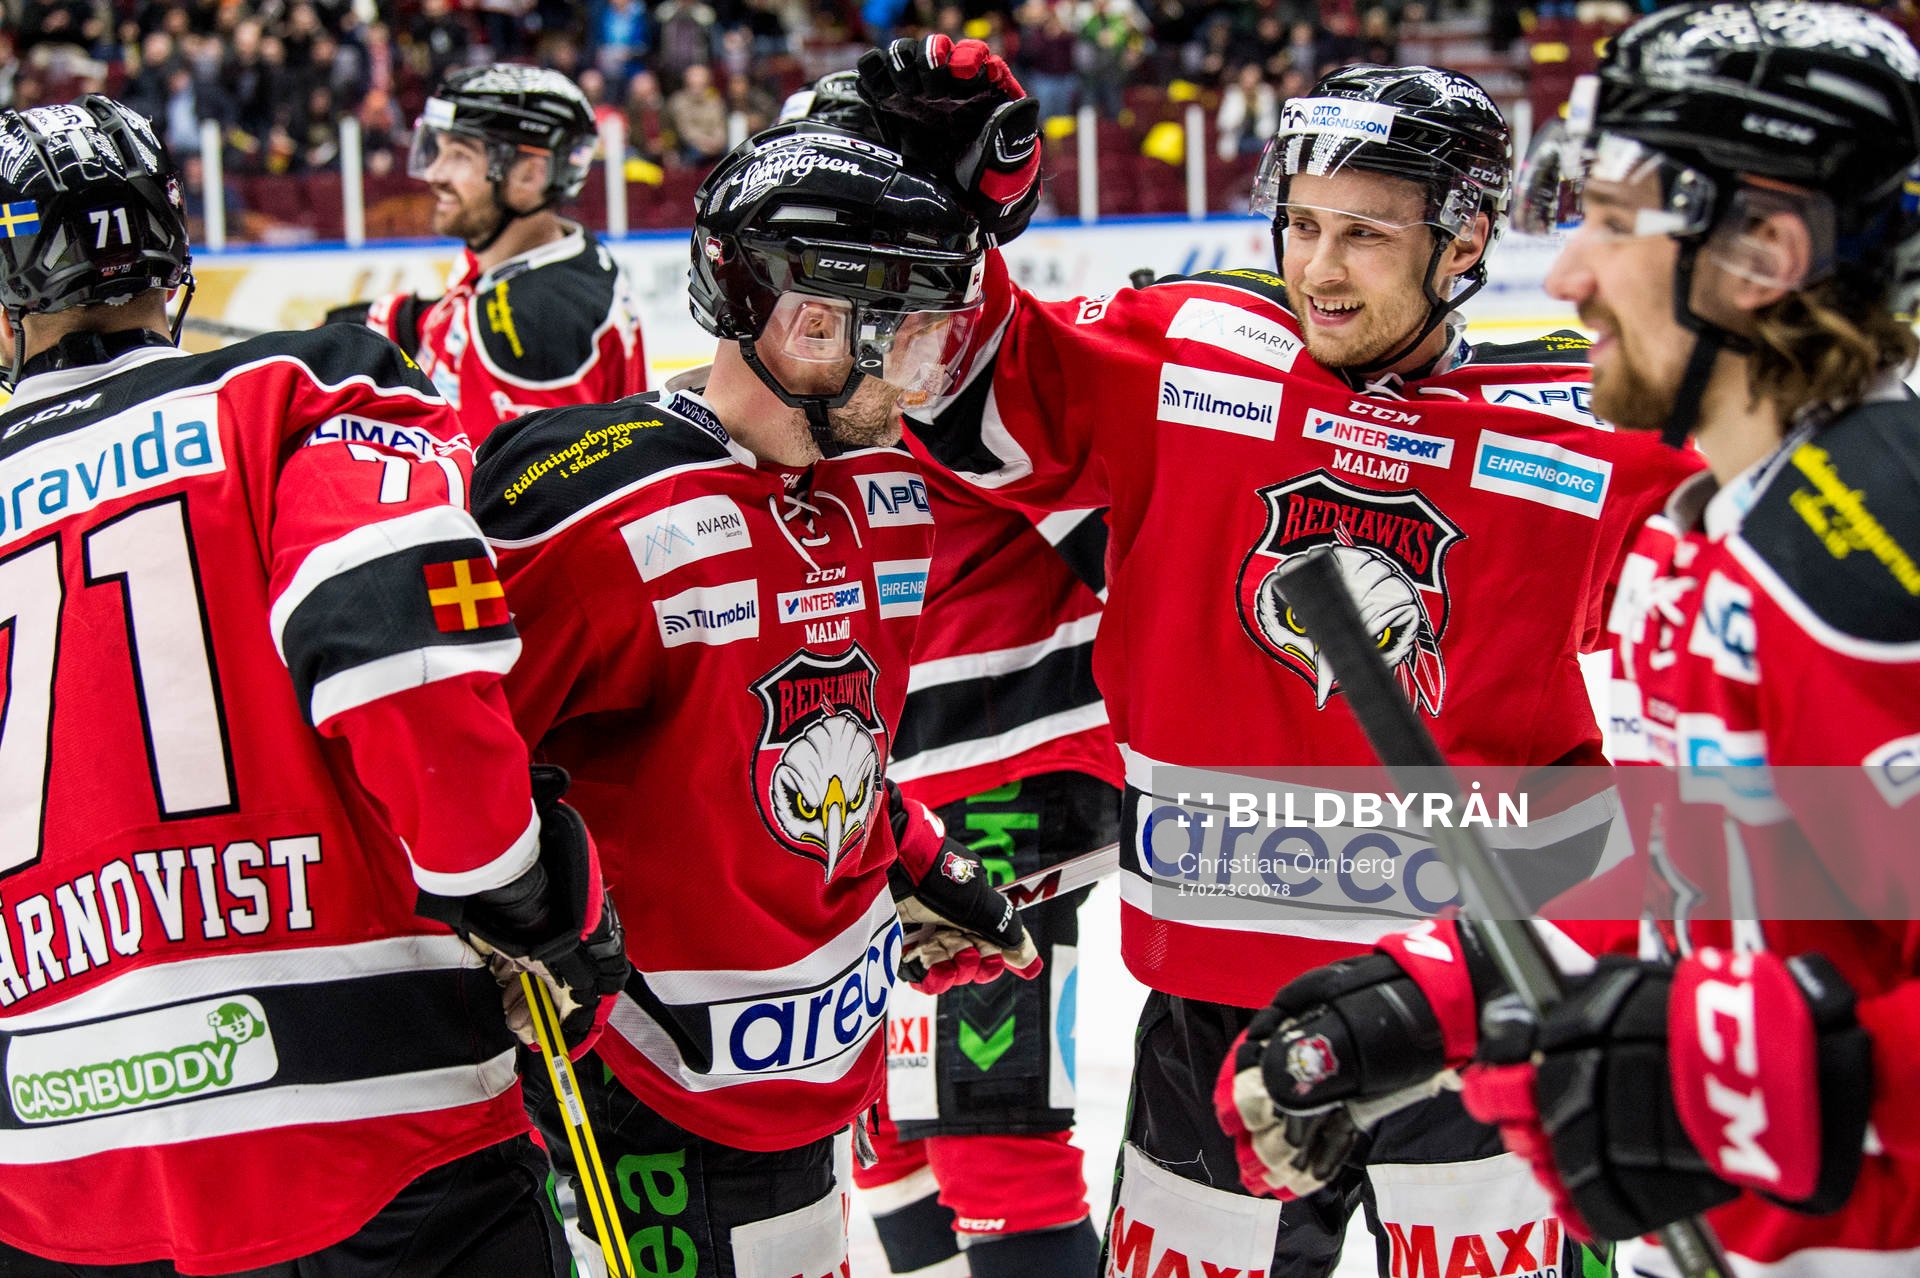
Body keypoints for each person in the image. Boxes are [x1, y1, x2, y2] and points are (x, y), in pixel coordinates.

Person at [854, 38, 1704, 1278]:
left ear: (1463, 244)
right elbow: (966, 372)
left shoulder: (1586, 440)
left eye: (1364, 233)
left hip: (1475, 1010)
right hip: (1218, 1015)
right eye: (1300, 224)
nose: (1318, 267)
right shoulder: (1191, 356)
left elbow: (1796, 606)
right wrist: (927, 200)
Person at [1221, 4, 1920, 1274]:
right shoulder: (1704, 531)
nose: (1565, 277)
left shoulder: (1883, 560)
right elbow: (1713, 877)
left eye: (1611, 224)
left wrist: (1811, 1078)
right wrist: (1446, 983)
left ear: (1764, 247)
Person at [0, 94, 626, 1276]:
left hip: (52, 1167)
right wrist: (527, 898)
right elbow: (399, 661)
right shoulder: (296, 392)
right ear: (168, 253)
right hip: (373, 1108)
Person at [466, 119, 1043, 1278]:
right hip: (641, 1090)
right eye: (908, 335)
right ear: (803, 320)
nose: (925, 374)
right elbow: (438, 768)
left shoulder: (884, 483)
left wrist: (912, 859)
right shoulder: (591, 514)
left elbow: (819, 737)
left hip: (810, 1067)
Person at [775, 70, 1122, 1278]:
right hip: (886, 787)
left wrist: (956, 173)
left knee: (991, 1131)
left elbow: (974, 333)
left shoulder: (955, 332)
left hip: (1002, 781)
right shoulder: (823, 342)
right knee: (886, 1126)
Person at [330, 63, 646, 445]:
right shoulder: (553, 255)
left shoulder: (528, 325)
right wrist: (393, 322)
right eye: (437, 149)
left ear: (529, 175)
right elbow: (471, 312)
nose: (434, 174)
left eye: (460, 156)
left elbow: (510, 495)